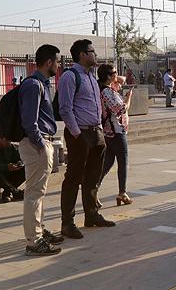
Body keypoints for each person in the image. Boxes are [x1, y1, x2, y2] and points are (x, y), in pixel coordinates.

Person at [58, 39, 113, 240]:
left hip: (96, 133)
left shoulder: (90, 77)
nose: (95, 55)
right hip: (79, 134)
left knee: (92, 177)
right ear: (82, 54)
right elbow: (65, 108)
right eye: (92, 51)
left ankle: (91, 215)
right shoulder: (70, 77)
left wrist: (100, 131)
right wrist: (76, 135)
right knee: (74, 178)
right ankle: (67, 223)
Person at [19, 43, 63, 255]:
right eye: (57, 61)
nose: (59, 65)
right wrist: (39, 144)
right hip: (37, 144)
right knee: (34, 194)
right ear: (48, 62)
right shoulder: (34, 85)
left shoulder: (40, 83)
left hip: (41, 142)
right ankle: (34, 241)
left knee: (38, 192)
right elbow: (29, 120)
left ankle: (39, 231)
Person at [97, 63, 134, 207]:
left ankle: (93, 191)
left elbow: (122, 80)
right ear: (108, 76)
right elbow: (120, 110)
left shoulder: (108, 89)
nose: (116, 74)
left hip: (111, 132)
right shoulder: (106, 92)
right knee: (122, 161)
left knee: (108, 162)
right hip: (115, 132)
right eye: (114, 72)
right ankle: (122, 193)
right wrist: (128, 98)